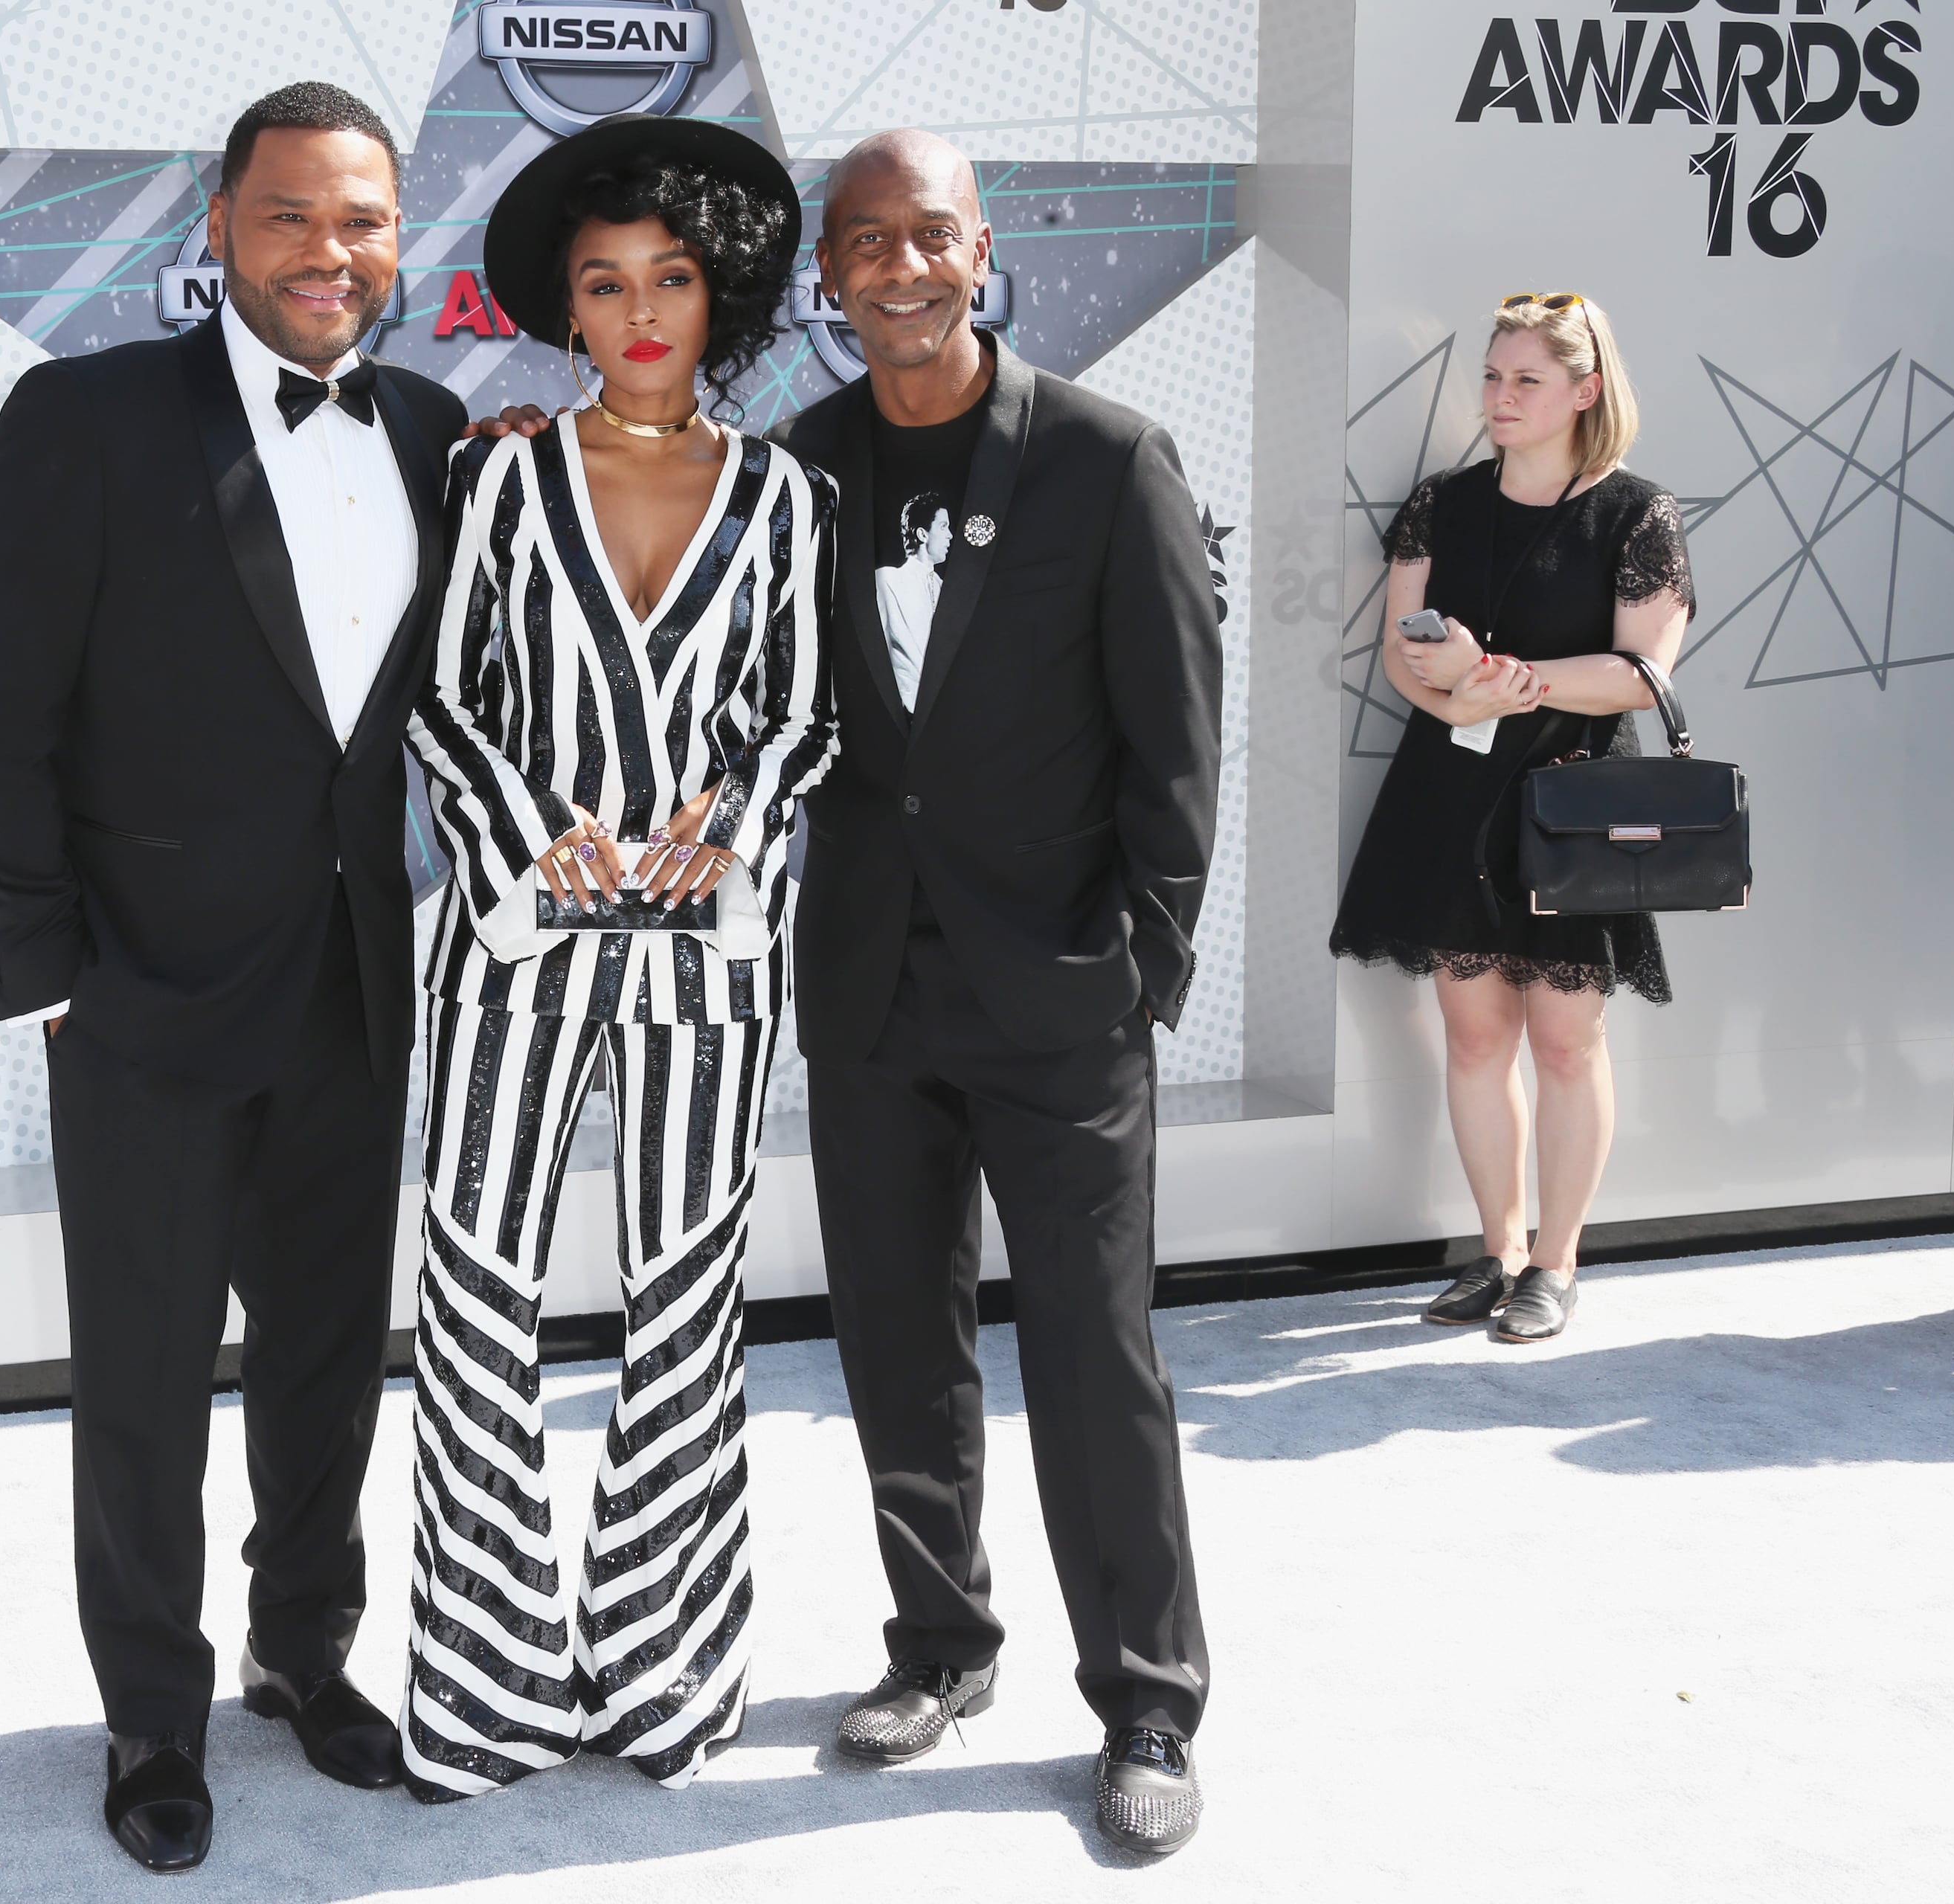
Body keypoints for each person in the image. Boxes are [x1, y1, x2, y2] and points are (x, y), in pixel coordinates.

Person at [0, 82, 465, 1875]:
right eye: (294, 217)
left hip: (357, 986)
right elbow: (0, 711)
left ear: (402, 238)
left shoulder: (432, 429)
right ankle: (151, 1713)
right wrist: (50, 966)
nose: (334, 252)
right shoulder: (84, 418)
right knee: (149, 1377)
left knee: (328, 1360)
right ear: (219, 229)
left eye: (367, 220)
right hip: (145, 995)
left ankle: (301, 1653)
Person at [776, 128, 1223, 1857]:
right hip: (872, 993)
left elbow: (1174, 745)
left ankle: (1150, 1698)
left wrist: (1138, 971)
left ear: (985, 248)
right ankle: (940, 1644)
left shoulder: (1108, 461)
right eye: (865, 241)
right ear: (828, 273)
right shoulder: (795, 470)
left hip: (1061, 998)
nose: (899, 267)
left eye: (930, 236)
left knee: (1099, 1359)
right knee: (896, 1339)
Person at [396, 112, 833, 1800]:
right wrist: (530, 819)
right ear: (562, 309)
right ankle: (483, 1693)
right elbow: (437, 696)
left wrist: (732, 816)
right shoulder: (495, 477)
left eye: (671, 278)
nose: (642, 311)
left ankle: (662, 1682)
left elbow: (805, 715)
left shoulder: (789, 499)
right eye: (605, 283)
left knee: (684, 1300)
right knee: (475, 1290)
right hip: (512, 941)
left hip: (709, 959)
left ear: (715, 295)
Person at [1329, 293, 1694, 1347]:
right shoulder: (1442, 504)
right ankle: (1495, 1252)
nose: (1499, 396)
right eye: (1492, 376)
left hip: (1574, 799)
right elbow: (1405, 648)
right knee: (1475, 1031)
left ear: (1585, 391)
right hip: (1450, 784)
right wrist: (1457, 697)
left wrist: (1512, 680)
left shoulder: (1636, 515)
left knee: (1568, 1038)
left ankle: (1556, 1262)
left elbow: (1642, 673)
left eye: (1525, 379)